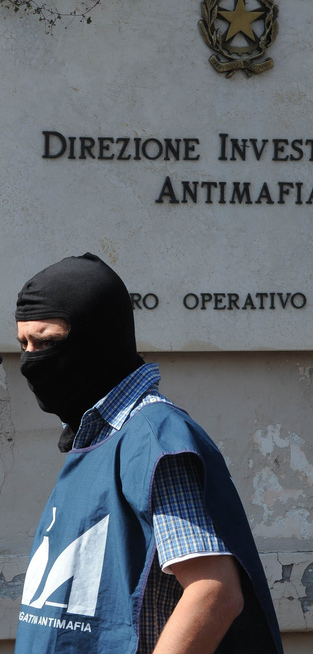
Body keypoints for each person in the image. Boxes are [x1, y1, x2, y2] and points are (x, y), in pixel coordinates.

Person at [14, 253, 283, 654]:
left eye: (48, 341)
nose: (31, 360)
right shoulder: (97, 438)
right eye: (24, 343)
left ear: (99, 338)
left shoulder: (154, 437)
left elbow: (214, 592)